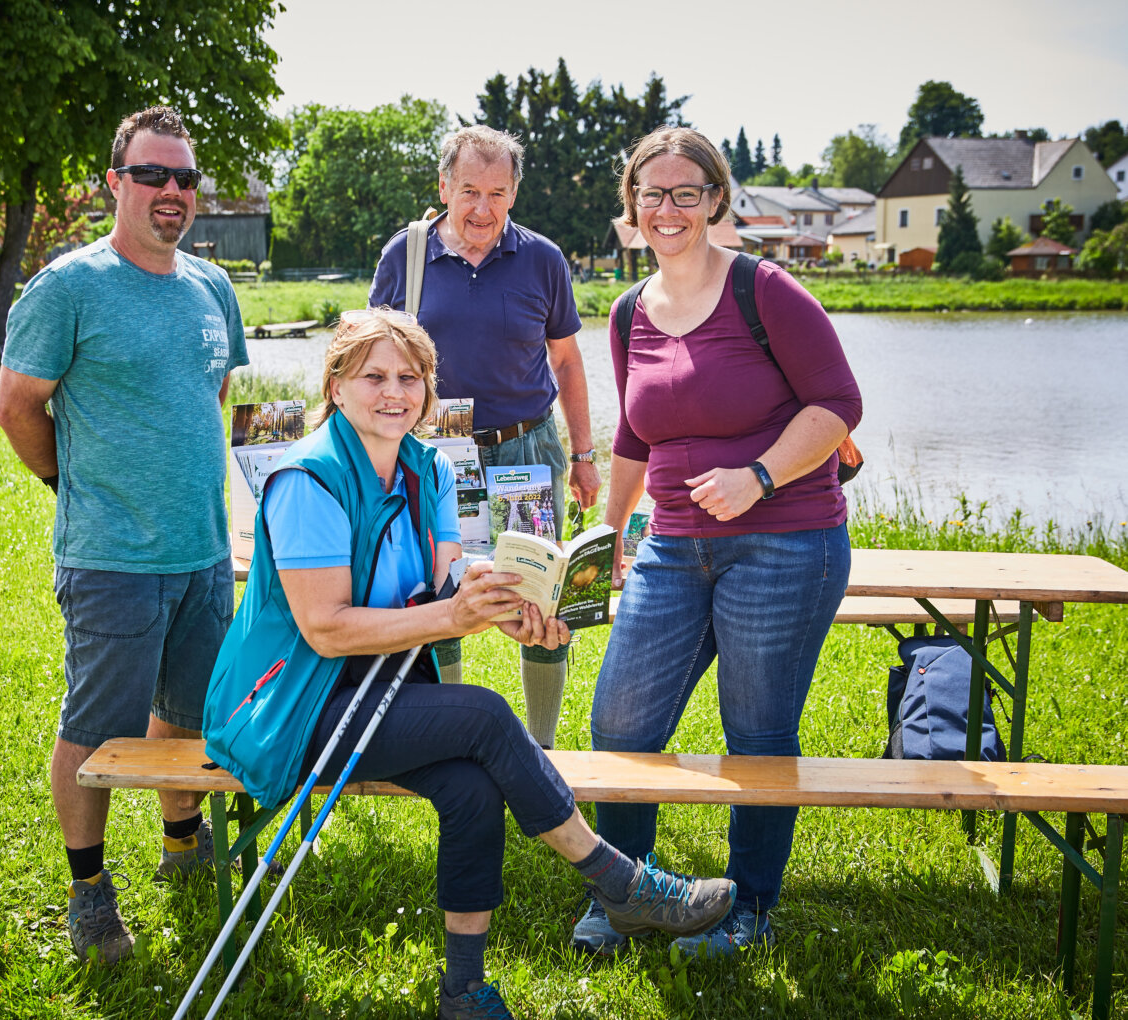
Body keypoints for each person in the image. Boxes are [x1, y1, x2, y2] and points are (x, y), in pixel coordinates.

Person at [203, 309, 735, 1020]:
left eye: (410, 377)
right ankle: (620, 882)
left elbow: (448, 582)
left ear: (428, 389)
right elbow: (325, 630)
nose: (394, 393)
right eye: (373, 377)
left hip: (380, 689)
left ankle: (463, 990)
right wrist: (453, 618)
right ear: (334, 386)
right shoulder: (307, 479)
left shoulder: (428, 468)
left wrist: (514, 613)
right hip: (292, 704)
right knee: (485, 715)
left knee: (471, 788)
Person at [570, 128, 862, 958]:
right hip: (671, 547)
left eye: (685, 193)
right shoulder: (629, 312)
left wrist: (758, 477)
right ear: (631, 208)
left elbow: (837, 405)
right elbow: (633, 432)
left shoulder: (764, 290)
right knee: (622, 721)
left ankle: (751, 911)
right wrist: (608, 529)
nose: (667, 209)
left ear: (715, 200)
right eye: (651, 195)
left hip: (785, 542)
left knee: (757, 732)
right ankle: (632, 894)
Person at [0, 106, 249, 965]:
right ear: (116, 182)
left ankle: (183, 843)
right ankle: (89, 891)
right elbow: (16, 406)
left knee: (186, 712)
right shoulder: (69, 286)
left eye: (183, 178)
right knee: (97, 726)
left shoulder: (212, 287)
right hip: (110, 558)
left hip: (205, 552)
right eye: (151, 175)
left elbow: (206, 395)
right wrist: (69, 485)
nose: (171, 192)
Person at [368, 125, 601, 750]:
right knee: (442, 592)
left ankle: (544, 749)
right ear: (444, 186)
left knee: (542, 602)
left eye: (497, 193)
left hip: (526, 452)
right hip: (437, 455)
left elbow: (569, 363)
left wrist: (582, 455)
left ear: (514, 195)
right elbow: (367, 356)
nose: (481, 208)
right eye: (469, 190)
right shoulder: (405, 256)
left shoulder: (543, 260)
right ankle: (448, 742)